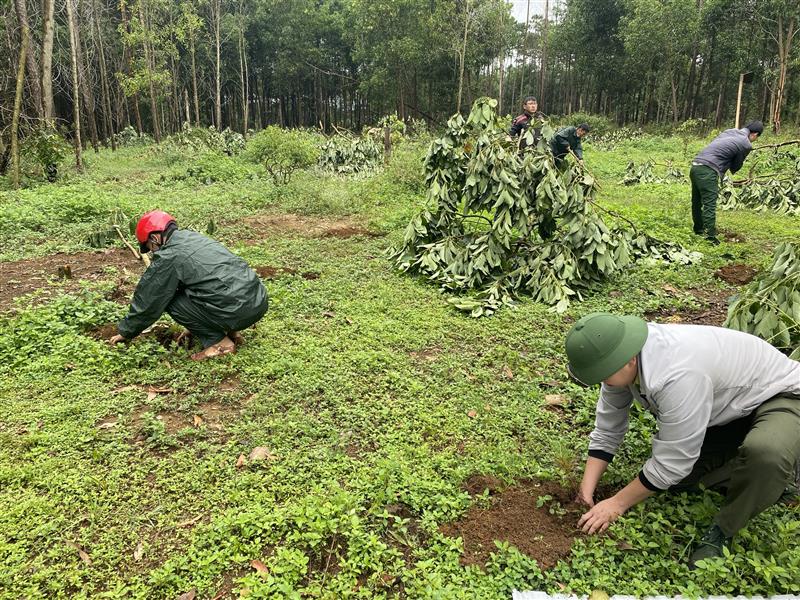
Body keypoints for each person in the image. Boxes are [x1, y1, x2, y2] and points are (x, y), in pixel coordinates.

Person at [564, 312, 800, 568]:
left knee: (765, 453)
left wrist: (617, 504)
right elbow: (608, 429)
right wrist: (585, 491)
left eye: (603, 374)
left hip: (781, 395)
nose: (602, 380)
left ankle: (726, 529)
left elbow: (672, 463)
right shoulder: (618, 359)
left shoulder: (678, 374)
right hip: (732, 408)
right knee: (677, 482)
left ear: (628, 360)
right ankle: (761, 478)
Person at [109, 210, 268, 361]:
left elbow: (149, 299)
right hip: (257, 302)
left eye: (150, 247)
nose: (152, 252)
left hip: (235, 312)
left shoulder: (169, 255)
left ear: (155, 239)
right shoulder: (193, 237)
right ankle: (233, 333)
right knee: (200, 284)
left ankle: (221, 344)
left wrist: (127, 331)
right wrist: (193, 326)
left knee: (167, 298)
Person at [690, 121, 763, 245]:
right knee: (709, 204)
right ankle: (709, 237)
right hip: (709, 170)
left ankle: (698, 230)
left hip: (696, 165)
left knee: (696, 201)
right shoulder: (746, 144)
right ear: (755, 134)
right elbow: (735, 166)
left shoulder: (729, 131)